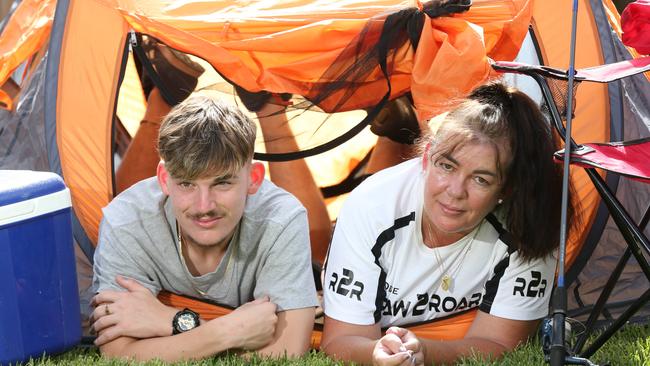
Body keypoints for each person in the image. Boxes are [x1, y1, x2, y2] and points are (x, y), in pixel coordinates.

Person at [320, 81, 579, 365]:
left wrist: (425, 353)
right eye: (447, 165)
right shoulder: (372, 205)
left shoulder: (530, 222)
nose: (455, 191)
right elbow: (340, 340)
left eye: (481, 179)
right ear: (426, 157)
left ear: (506, 190)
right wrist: (376, 354)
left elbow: (500, 342)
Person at [90, 94, 318, 362]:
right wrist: (227, 331)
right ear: (164, 179)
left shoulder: (281, 219)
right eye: (187, 184)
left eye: (222, 183)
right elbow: (118, 354)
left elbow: (288, 352)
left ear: (253, 179)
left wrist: (169, 322)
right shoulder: (127, 221)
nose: (204, 205)